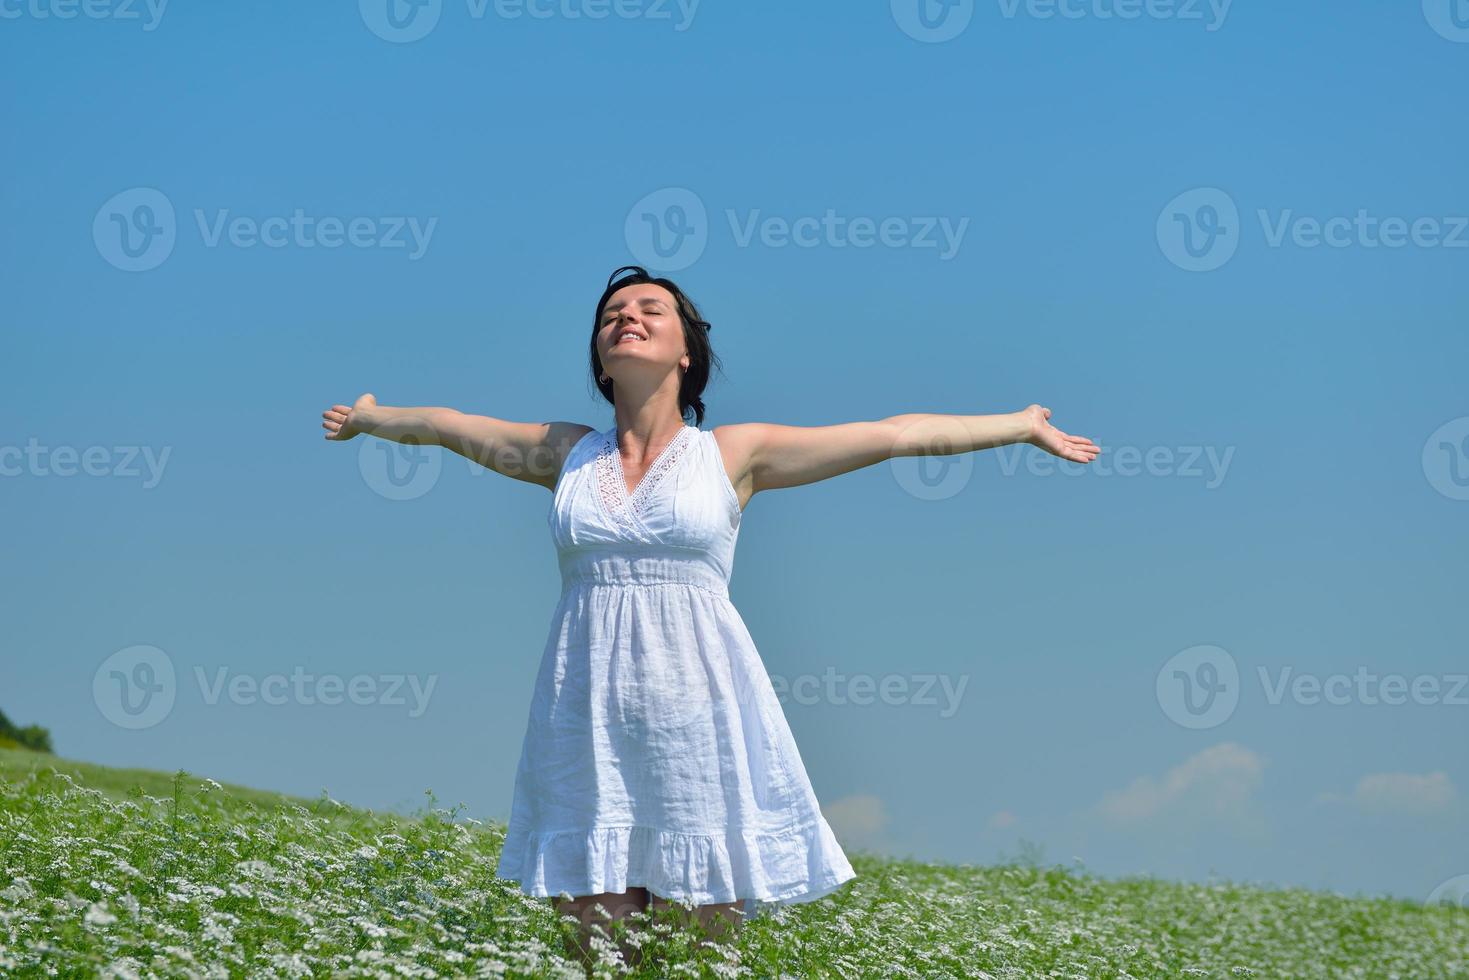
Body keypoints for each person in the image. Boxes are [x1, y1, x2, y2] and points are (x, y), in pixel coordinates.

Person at [320, 265, 1100, 969]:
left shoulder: (733, 453)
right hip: (586, 721)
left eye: (648, 308)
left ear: (685, 350)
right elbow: (449, 426)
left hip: (698, 724)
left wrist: (1018, 423)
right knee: (599, 951)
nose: (625, 316)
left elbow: (894, 435)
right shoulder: (567, 455)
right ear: (599, 359)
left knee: (695, 954)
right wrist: (370, 417)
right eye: (611, 313)